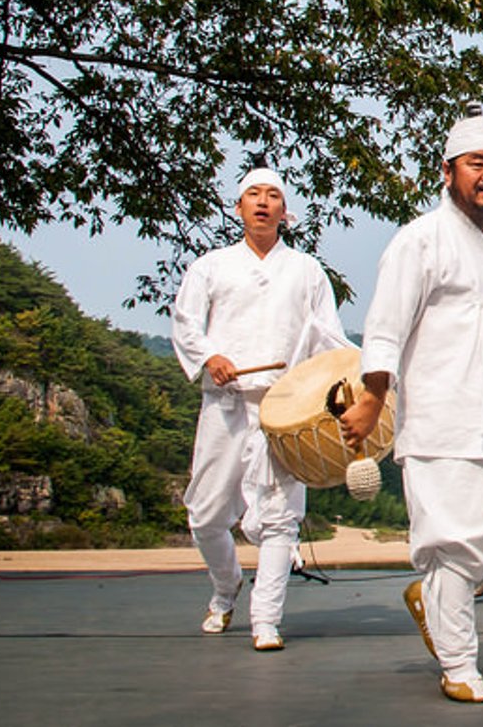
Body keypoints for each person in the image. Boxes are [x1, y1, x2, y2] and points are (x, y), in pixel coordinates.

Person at [340, 107, 483, 704]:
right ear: (448, 171)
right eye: (477, 164)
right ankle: (458, 663)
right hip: (445, 421)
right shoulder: (419, 240)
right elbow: (384, 327)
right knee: (454, 542)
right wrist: (374, 396)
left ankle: (436, 595)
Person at [171, 167, 351, 651]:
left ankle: (265, 619)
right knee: (205, 515)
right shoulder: (210, 266)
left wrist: (336, 389)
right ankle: (225, 586)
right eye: (254, 194)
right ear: (238, 207)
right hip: (225, 403)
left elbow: (328, 337)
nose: (263, 202)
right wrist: (210, 356)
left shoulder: (307, 271)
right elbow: (186, 322)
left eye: (273, 195)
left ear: (284, 211)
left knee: (280, 518)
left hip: (283, 410)